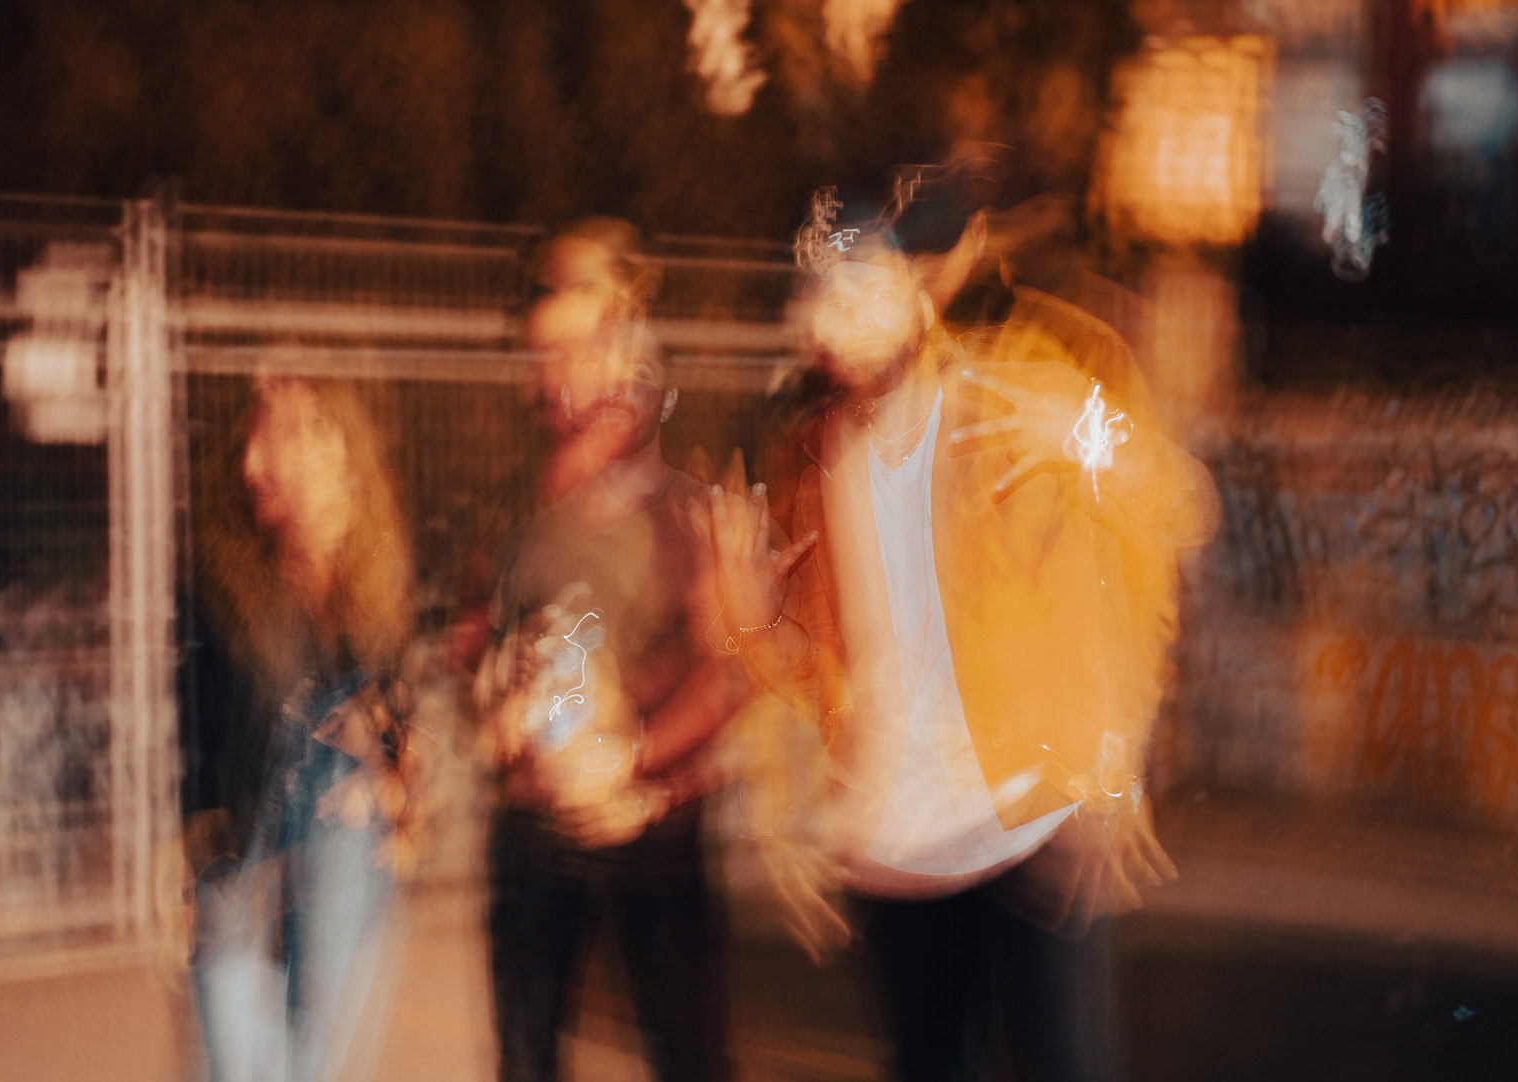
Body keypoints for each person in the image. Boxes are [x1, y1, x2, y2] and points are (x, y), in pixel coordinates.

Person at [710, 191, 1220, 1081]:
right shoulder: (808, 464)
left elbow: (1181, 506)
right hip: (893, 856)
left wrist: (1083, 437)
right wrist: (753, 620)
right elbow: (818, 672)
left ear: (916, 292)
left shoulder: (1019, 393)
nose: (850, 316)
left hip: (1031, 825)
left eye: (866, 286)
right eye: (826, 299)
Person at [473, 220, 745, 1082]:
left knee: (687, 1055)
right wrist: (496, 703)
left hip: (651, 837)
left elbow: (729, 674)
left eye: (575, 352)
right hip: (533, 840)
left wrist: (638, 764)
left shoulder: (684, 506)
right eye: (540, 357)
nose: (553, 379)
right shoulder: (515, 510)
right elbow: (485, 650)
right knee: (527, 1060)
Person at [183, 375, 416, 1082]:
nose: (252, 464)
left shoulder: (376, 581)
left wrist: (395, 790)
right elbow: (201, 734)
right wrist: (187, 849)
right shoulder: (224, 581)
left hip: (345, 848)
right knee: (237, 1068)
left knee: (307, 1064)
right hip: (237, 858)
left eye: (277, 437)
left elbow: (396, 720)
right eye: (251, 439)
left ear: (332, 450)